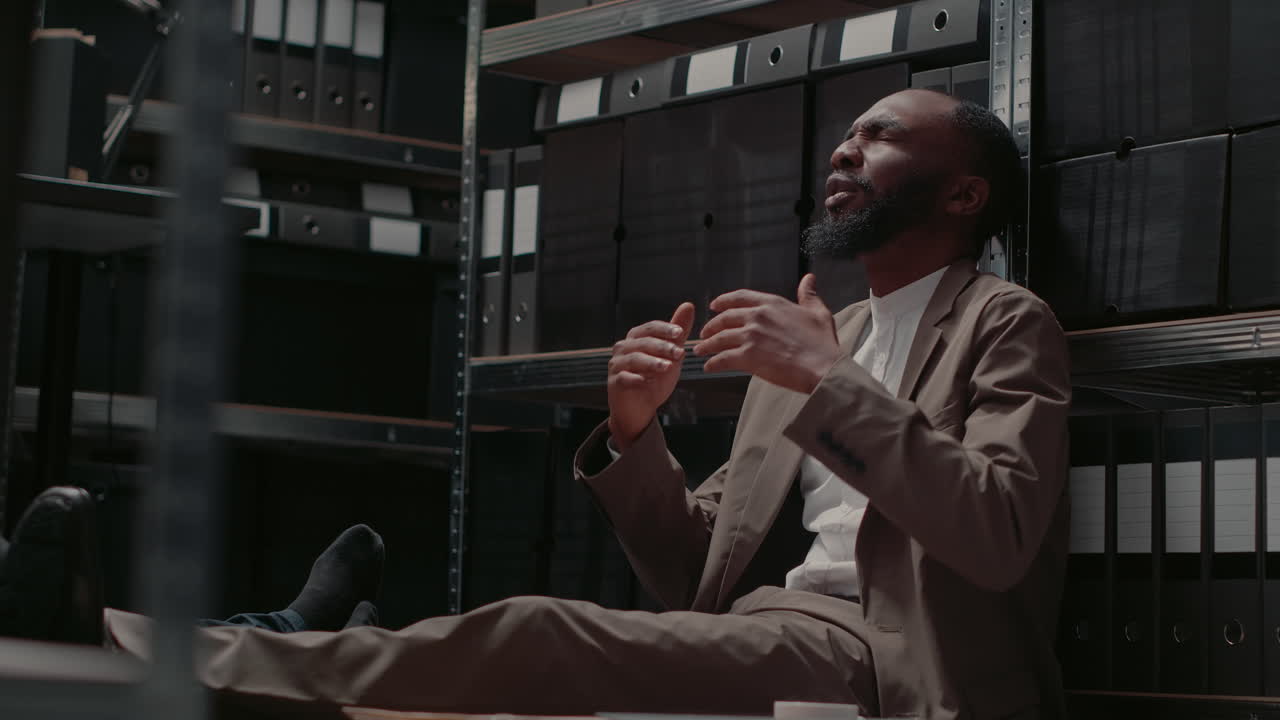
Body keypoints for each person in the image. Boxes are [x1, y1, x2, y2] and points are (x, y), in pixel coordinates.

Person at [5, 89, 1070, 720]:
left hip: (876, 659)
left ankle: (131, 650)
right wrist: (635, 432)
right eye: (842, 136)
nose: (842, 150)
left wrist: (822, 381)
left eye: (879, 138)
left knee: (530, 629)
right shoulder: (819, 334)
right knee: (497, 661)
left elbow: (997, 529)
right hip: (766, 627)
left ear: (962, 194)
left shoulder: (1000, 322)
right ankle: (249, 640)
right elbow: (692, 573)